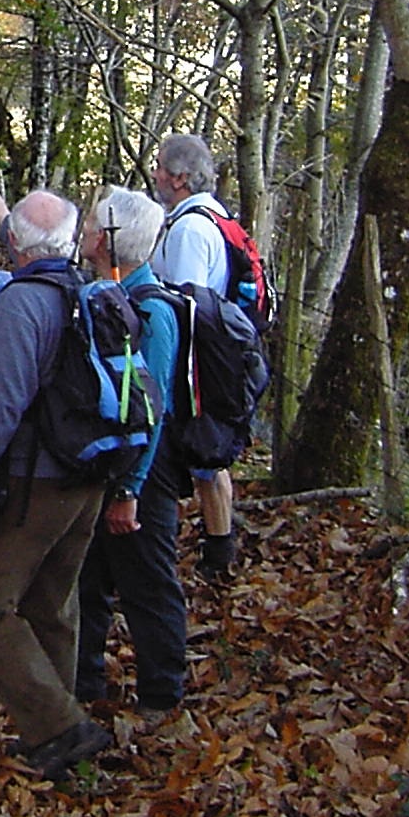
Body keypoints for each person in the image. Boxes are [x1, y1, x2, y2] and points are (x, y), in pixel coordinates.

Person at [0, 190, 111, 782]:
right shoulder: (86, 292)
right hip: (88, 474)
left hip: (34, 481)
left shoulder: (23, 303)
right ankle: (58, 735)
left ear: (13, 244)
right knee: (50, 604)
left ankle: (61, 728)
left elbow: (0, 404)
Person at [73, 186, 189, 719]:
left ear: (108, 239)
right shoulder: (102, 295)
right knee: (88, 576)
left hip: (144, 471)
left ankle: (163, 696)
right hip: (105, 461)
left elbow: (153, 409)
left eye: (92, 225)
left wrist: (130, 490)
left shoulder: (152, 311)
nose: (85, 233)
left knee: (147, 582)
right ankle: (84, 683)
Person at [147, 132, 242, 579]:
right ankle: (218, 547)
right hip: (218, 352)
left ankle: (215, 556)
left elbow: (183, 305)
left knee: (204, 456)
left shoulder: (189, 230)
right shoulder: (215, 216)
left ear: (180, 178)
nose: (155, 175)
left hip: (197, 362)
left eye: (160, 167)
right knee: (210, 458)